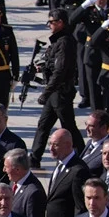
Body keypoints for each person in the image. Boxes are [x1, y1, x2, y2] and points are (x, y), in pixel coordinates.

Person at [30, 9, 82, 158]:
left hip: (60, 93)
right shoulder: (58, 41)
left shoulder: (64, 42)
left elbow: (60, 72)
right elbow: (54, 65)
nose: (49, 25)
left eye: (51, 22)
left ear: (60, 23)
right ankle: (34, 157)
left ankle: (82, 154)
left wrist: (45, 93)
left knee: (68, 126)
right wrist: (43, 67)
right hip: (54, 92)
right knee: (44, 125)